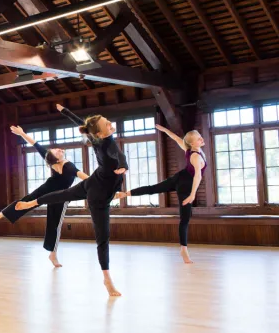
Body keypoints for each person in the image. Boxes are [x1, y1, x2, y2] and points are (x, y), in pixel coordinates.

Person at [15, 104, 127, 296]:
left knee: (62, 195)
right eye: (106, 124)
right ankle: (107, 280)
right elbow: (118, 154)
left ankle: (33, 203)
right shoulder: (105, 143)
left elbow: (83, 124)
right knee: (103, 238)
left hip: (95, 182)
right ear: (99, 134)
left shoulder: (100, 137)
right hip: (98, 195)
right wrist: (123, 165)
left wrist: (65, 111)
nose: (110, 123)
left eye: (107, 120)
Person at [0, 125, 89, 267]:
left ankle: (52, 254)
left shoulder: (67, 165)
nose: (59, 149)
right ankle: (0, 215)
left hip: (60, 195)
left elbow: (85, 177)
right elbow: (36, 145)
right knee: (27, 201)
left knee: (54, 223)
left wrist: (22, 133)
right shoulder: (62, 163)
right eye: (57, 151)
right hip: (50, 188)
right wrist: (22, 133)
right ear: (57, 159)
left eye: (57, 149)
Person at [115, 125, 205, 264]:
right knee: (185, 218)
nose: (201, 139)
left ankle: (126, 194)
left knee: (153, 188)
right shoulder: (194, 156)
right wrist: (192, 195)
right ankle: (184, 249)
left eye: (200, 137)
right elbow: (197, 176)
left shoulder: (189, 149)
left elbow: (175, 138)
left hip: (179, 178)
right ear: (192, 143)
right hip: (185, 186)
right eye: (199, 139)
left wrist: (164, 130)